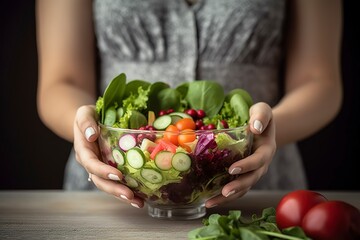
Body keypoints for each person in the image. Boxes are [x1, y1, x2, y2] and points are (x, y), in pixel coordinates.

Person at [35, 0, 342, 209]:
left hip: (258, 186)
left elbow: (319, 80)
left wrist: (255, 134)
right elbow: (61, 81)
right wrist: (89, 130)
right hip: (112, 189)